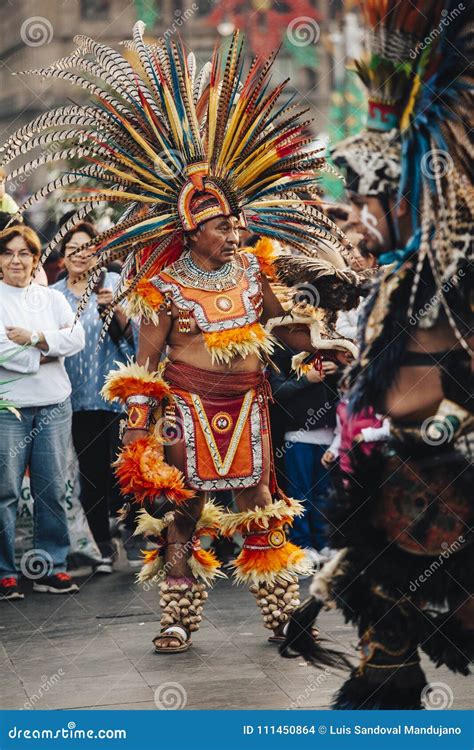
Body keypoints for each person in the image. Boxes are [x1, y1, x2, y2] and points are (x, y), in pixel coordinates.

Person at [5, 26, 357, 654]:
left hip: (249, 407)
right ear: (194, 228)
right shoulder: (162, 287)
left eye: (237, 223)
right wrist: (139, 440)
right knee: (183, 517)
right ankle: (176, 620)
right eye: (224, 225)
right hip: (186, 413)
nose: (235, 232)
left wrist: (325, 345)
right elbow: (143, 368)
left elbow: (289, 327)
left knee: (259, 507)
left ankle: (280, 617)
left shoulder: (255, 268)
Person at [283, 0, 473, 710]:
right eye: (354, 196)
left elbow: (431, 396)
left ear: (414, 195)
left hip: (437, 500)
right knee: (385, 672)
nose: (358, 214)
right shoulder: (401, 274)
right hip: (400, 515)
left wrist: (430, 434)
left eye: (374, 197)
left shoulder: (453, 275)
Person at [0, 224, 85, 600]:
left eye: (23, 253)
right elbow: (3, 353)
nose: (16, 260)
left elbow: (77, 338)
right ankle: (4, 572)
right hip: (10, 408)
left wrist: (32, 339)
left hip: (53, 405)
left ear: (36, 259)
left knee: (52, 490)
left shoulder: (52, 298)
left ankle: (52, 567)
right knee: (5, 492)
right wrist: (50, 351)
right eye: (8, 253)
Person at [54, 221, 135, 573]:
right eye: (72, 248)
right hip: (74, 399)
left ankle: (130, 532)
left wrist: (115, 308)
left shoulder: (114, 284)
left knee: (122, 472)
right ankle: (101, 545)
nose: (79, 254)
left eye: (87, 247)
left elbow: (138, 337)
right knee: (89, 474)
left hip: (116, 397)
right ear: (62, 253)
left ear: (98, 252)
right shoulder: (52, 294)